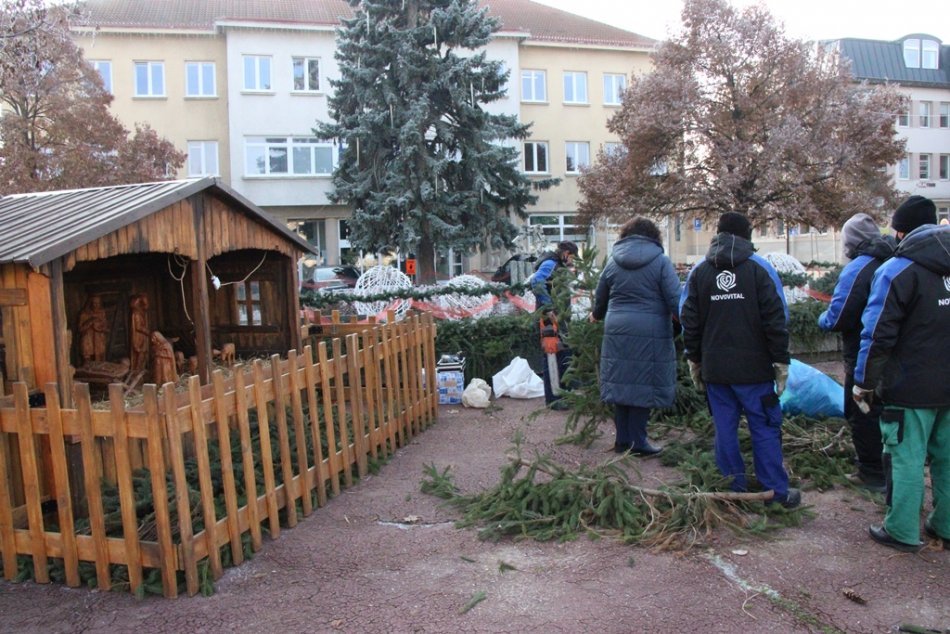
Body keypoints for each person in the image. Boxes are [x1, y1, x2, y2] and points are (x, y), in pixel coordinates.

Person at [680, 212, 800, 508]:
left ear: (718, 234)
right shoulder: (761, 269)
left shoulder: (699, 271)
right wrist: (780, 361)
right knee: (764, 427)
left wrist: (694, 359)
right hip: (755, 371)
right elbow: (777, 319)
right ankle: (775, 493)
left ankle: (732, 491)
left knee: (725, 430)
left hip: (716, 371)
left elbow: (689, 320)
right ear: (748, 236)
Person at [853, 195, 950, 552]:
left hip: (909, 388)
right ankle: (946, 525)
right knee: (949, 457)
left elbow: (877, 333)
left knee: (905, 458)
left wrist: (863, 383)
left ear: (901, 232)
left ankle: (902, 530)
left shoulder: (897, 270)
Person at [817, 213, 895, 493]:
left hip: (863, 352)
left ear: (851, 243)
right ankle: (891, 467)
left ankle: (871, 472)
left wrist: (822, 319)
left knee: (861, 410)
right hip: (898, 354)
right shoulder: (895, 260)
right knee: (891, 412)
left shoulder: (858, 268)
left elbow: (839, 316)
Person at [589, 218, 680, 456]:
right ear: (653, 237)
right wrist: (687, 321)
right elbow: (675, 299)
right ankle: (638, 442)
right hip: (650, 329)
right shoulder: (661, 262)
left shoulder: (612, 263)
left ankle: (622, 440)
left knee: (622, 384)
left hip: (617, 328)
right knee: (642, 385)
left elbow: (601, 299)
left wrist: (596, 315)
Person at [528, 241, 578, 408]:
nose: (572, 261)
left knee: (563, 354)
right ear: (565, 252)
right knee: (552, 356)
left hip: (560, 319)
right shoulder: (550, 263)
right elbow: (536, 282)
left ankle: (563, 394)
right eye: (572, 257)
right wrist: (549, 307)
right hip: (549, 319)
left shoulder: (558, 265)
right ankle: (554, 400)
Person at [78, 294, 108, 364]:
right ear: (90, 303)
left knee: (100, 361)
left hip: (99, 340)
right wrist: (90, 321)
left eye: (98, 303)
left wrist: (101, 328)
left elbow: (106, 326)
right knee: (87, 361)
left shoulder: (102, 313)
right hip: (88, 340)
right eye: (94, 303)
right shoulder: (84, 314)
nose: (96, 305)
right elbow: (80, 329)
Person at [129, 294, 150, 374]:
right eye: (145, 304)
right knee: (139, 354)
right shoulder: (136, 313)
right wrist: (147, 331)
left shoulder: (141, 313)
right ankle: (137, 372)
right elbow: (138, 327)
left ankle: (140, 371)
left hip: (142, 336)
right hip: (138, 337)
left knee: (142, 354)